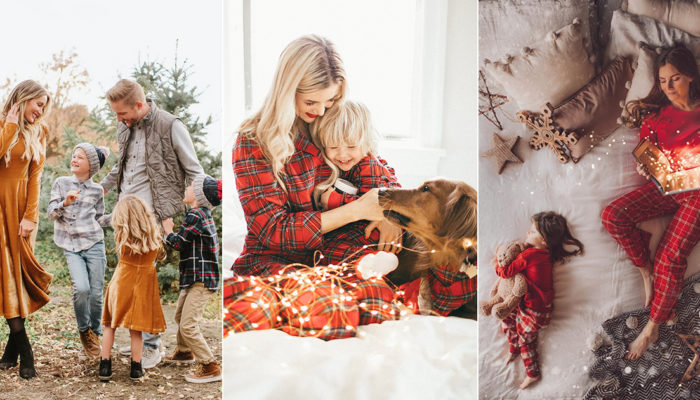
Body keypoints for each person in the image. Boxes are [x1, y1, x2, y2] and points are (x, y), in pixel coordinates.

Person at [602, 44, 700, 360]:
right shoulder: (656, 118)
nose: (669, 87)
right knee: (612, 214)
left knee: (670, 257)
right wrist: (647, 167)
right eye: (663, 81)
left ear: (691, 77)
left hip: (698, 195)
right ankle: (645, 269)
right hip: (666, 188)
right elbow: (651, 162)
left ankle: (652, 327)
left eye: (675, 79)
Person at [101, 79, 204, 368]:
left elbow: (195, 170)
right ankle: (137, 341)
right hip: (125, 218)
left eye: (121, 113)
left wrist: (202, 208)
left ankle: (151, 346)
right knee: (126, 278)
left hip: (153, 218)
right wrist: (101, 188)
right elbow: (120, 166)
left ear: (139, 104)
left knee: (144, 280)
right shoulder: (125, 127)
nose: (118, 119)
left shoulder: (171, 126)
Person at [0, 80, 52, 379]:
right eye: (37, 105)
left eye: (44, 107)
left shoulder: (39, 131)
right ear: (23, 99)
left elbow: (35, 177)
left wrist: (30, 216)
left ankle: (11, 351)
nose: (40, 112)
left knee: (17, 277)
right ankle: (25, 351)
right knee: (5, 275)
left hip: (20, 213)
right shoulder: (2, 124)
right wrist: (8, 127)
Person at [496, 212, 583, 389]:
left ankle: (532, 373)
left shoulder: (529, 256)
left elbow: (506, 272)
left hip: (534, 311)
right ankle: (514, 347)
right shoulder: (544, 255)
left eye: (533, 231)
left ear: (545, 241)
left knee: (526, 341)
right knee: (508, 318)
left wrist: (496, 264)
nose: (527, 234)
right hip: (539, 308)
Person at [310, 99, 401, 249]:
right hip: (349, 228)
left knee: (338, 251)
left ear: (366, 142)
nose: (342, 154)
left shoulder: (369, 165)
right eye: (333, 147)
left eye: (352, 146)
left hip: (370, 232)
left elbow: (373, 204)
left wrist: (336, 200)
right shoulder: (330, 164)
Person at [47, 143, 110, 358]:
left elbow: (99, 217)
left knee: (97, 293)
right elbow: (51, 213)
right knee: (82, 289)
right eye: (74, 155)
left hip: (94, 243)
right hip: (70, 246)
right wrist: (65, 202)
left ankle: (96, 333)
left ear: (91, 165)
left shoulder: (97, 190)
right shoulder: (61, 183)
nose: (74, 159)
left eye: (80, 157)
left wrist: (117, 218)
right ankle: (85, 331)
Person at [99, 195, 166, 381]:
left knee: (109, 325)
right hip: (144, 285)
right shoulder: (155, 236)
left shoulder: (122, 235)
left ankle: (104, 366)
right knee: (135, 328)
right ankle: (136, 368)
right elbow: (161, 256)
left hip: (122, 283)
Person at [162, 175, 221, 383]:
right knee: (180, 317)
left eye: (190, 186)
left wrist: (167, 230)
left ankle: (210, 365)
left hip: (201, 279)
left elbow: (179, 243)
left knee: (187, 324)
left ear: (197, 195)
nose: (186, 188)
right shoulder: (199, 214)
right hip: (193, 277)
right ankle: (185, 351)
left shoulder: (196, 215)